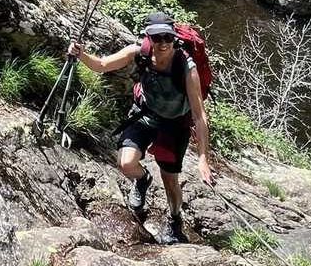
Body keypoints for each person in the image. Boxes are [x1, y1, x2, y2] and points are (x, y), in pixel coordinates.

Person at [69, 12, 211, 243]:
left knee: (169, 178)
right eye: (158, 38)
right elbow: (102, 65)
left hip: (173, 125)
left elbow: (199, 115)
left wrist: (204, 158)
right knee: (125, 163)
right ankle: (143, 179)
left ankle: (175, 222)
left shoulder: (186, 65)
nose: (164, 43)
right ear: (148, 37)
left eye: (168, 37)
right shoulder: (138, 52)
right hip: (144, 116)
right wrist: (81, 54)